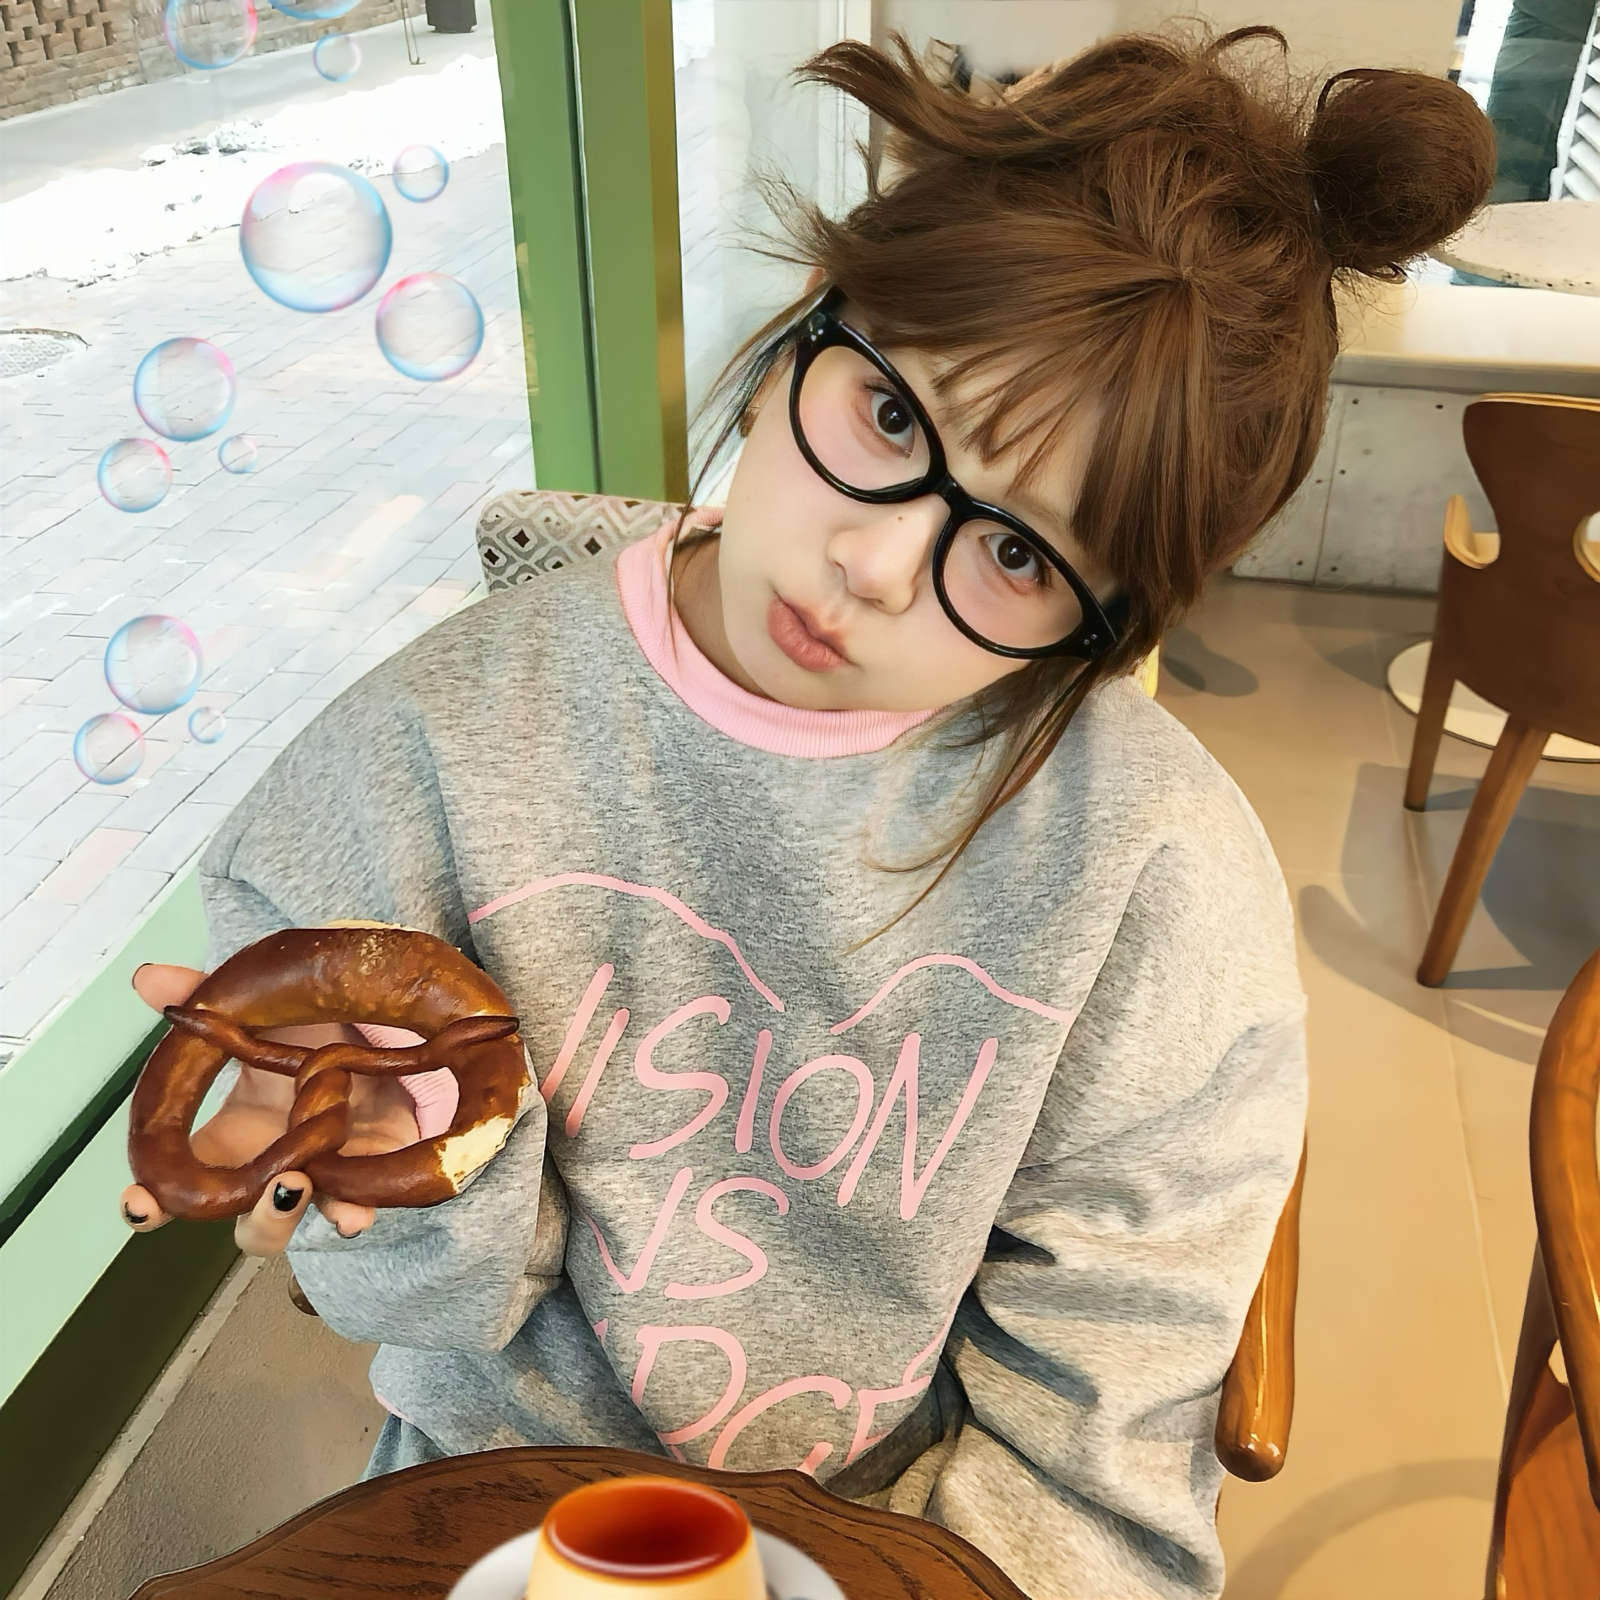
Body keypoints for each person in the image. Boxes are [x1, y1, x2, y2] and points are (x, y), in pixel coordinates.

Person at [117, 27, 1493, 1600]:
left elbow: (1091, 1468)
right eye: (894, 419)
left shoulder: (1156, 879)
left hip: (912, 1539)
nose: (878, 567)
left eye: (1019, 555)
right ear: (810, 329)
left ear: (1109, 621)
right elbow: (426, 1324)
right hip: (494, 1524)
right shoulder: (415, 759)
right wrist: (401, 1164)